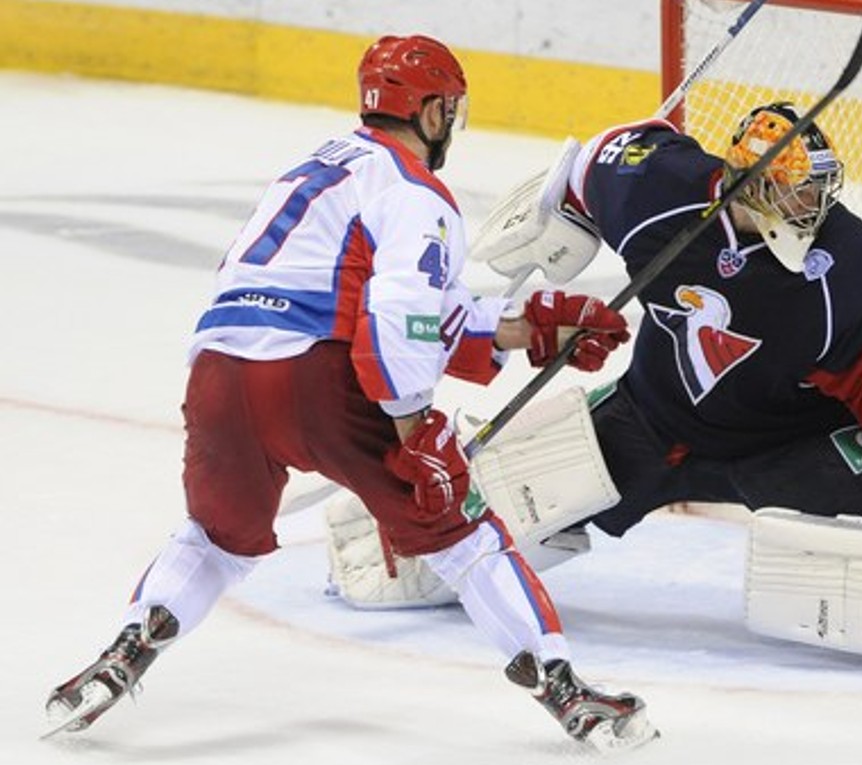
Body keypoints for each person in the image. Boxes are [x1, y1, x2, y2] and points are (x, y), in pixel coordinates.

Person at [327, 101, 862, 677]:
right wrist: (559, 218)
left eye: (818, 186)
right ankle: (389, 554)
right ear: (751, 181)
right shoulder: (661, 193)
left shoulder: (850, 263)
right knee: (460, 524)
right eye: (795, 186)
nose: (812, 202)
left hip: (790, 445)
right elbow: (598, 161)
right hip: (649, 419)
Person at [45, 34, 656, 751]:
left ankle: (126, 649)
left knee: (216, 539)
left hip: (219, 376)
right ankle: (563, 687)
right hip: (319, 383)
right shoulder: (412, 190)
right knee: (463, 539)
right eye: (449, 109)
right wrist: (414, 428)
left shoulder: (314, 168)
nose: (451, 124)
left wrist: (526, 327)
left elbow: (391, 302)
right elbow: (398, 316)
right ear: (430, 112)